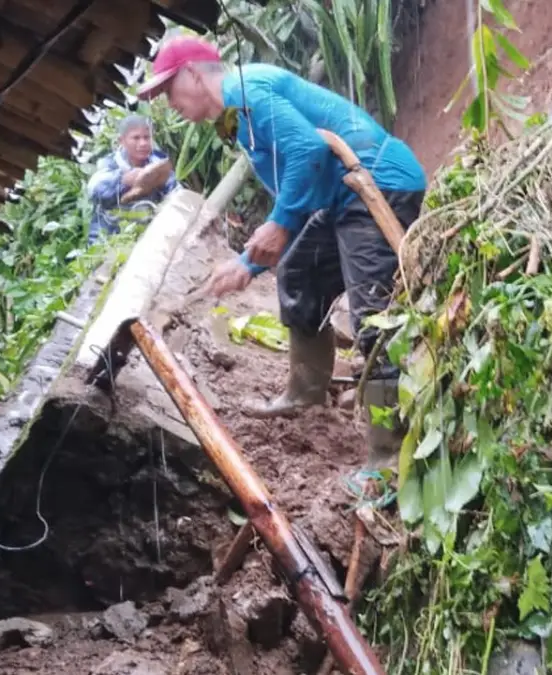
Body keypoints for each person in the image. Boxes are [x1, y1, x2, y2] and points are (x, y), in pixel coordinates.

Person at [138, 36, 427, 469]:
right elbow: (303, 177)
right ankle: (305, 393)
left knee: (374, 319)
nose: (167, 104)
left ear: (194, 74)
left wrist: (279, 222)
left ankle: (388, 455)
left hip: (378, 183)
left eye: (168, 91)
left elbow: (308, 151)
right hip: (341, 196)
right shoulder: (233, 116)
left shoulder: (245, 89)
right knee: (298, 274)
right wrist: (249, 263)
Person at [86, 115, 180, 245]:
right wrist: (123, 180)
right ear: (122, 140)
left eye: (147, 137)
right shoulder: (109, 164)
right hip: (109, 240)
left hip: (150, 238)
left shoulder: (158, 162)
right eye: (136, 138)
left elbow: (176, 191)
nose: (143, 143)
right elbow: (94, 191)